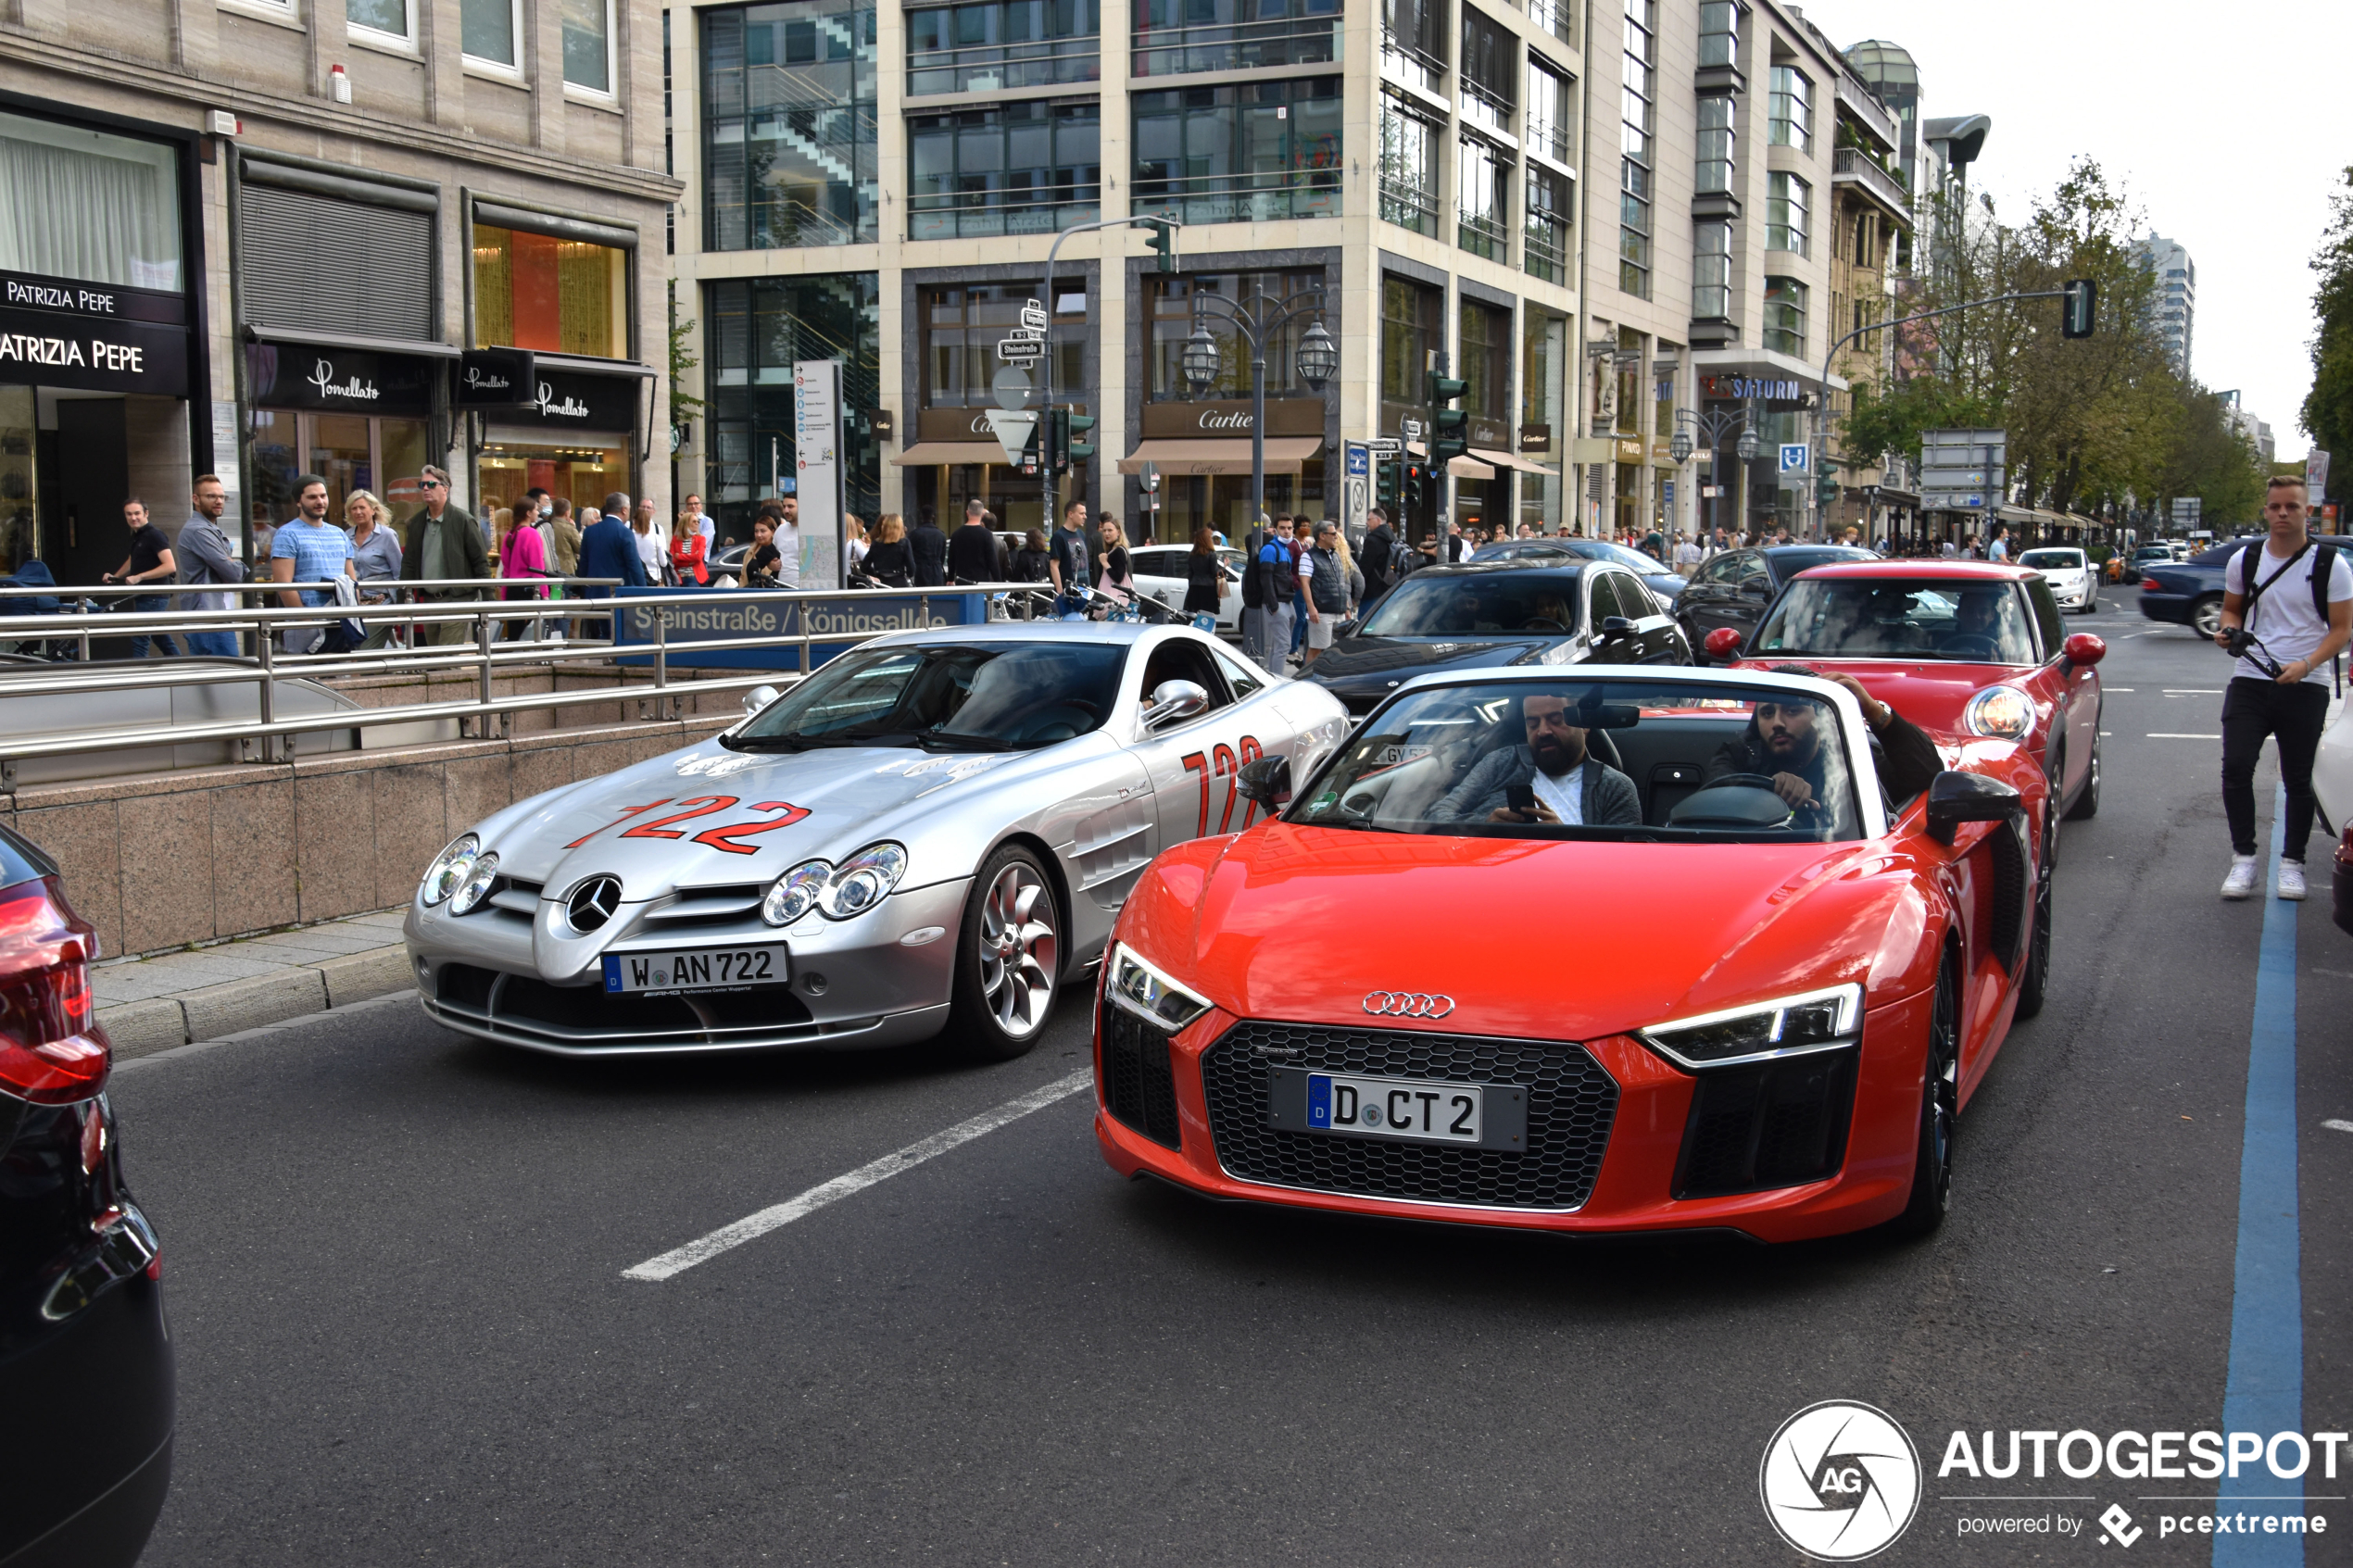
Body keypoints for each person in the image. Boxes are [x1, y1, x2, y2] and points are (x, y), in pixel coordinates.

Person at [2216, 475, 2353, 900]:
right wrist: (2227, 631)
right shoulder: (2246, 559)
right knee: (2236, 767)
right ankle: (2244, 861)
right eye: (2275, 507)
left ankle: (2292, 863)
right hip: (2251, 678)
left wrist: (2307, 663)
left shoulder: (2331, 564)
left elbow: (2342, 629)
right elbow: (2231, 610)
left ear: (2306, 511)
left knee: (2297, 778)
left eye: (2291, 507)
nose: (2282, 514)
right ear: (2266, 510)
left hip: (2304, 682)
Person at [1705, 667, 1941, 813]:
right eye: (1767, 713)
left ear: (1819, 717)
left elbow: (1926, 771)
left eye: (1792, 711)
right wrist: (1765, 788)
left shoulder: (1852, 761)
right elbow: (1714, 800)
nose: (1777, 722)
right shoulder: (1736, 756)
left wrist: (1871, 709)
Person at [1430, 692, 1643, 825]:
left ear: (1584, 725)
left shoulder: (1615, 788)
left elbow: (1623, 866)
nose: (1542, 731)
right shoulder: (1499, 763)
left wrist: (1563, 841)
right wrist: (1484, 825)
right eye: (1532, 723)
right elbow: (1437, 815)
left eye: (1556, 720)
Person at [397, 464, 488, 644]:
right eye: (422, 485)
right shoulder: (416, 523)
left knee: (447, 659)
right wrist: (402, 598)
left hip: (457, 599)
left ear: (445, 489)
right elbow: (408, 563)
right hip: (430, 600)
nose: (425, 488)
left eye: (431, 484)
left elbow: (480, 561)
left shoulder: (463, 520)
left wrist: (488, 598)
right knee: (436, 659)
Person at [271, 475, 357, 653]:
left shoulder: (339, 534)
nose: (319, 501)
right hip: (306, 623)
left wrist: (354, 615)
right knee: (304, 678)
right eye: (312, 497)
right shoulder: (287, 534)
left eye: (323, 496)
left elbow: (351, 579)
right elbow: (284, 585)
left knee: (340, 677)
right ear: (298, 502)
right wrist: (306, 621)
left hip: (340, 621)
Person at [174, 474, 245, 658]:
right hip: (209, 620)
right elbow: (233, 574)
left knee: (214, 682)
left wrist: (231, 563)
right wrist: (239, 565)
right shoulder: (199, 530)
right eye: (211, 496)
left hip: (212, 618)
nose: (219, 501)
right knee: (229, 679)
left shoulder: (208, 529)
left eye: (222, 497)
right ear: (195, 499)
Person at [101, 498, 181, 658]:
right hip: (145, 595)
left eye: (137, 513)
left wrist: (139, 577)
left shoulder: (155, 535)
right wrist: (115, 577)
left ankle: (139, 677)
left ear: (146, 513)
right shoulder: (138, 535)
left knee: (140, 636)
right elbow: (133, 560)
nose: (133, 518)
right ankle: (184, 667)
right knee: (159, 636)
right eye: (129, 514)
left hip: (154, 596)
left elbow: (170, 566)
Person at [346, 489, 404, 649]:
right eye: (354, 508)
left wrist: (400, 607)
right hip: (354, 604)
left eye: (362, 507)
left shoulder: (386, 535)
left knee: (365, 650)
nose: (358, 512)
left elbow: (399, 572)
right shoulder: (346, 536)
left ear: (373, 510)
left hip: (381, 602)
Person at [496, 503, 549, 639]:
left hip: (512, 588)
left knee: (514, 632)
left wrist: (504, 594)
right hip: (529, 588)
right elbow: (537, 567)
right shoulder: (531, 533)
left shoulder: (510, 534)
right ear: (528, 513)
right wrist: (544, 593)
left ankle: (514, 658)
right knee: (534, 632)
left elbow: (506, 569)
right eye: (536, 510)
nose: (538, 513)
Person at [1252, 517, 1298, 670]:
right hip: (1277, 602)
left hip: (1285, 601)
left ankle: (1274, 677)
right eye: (1283, 528)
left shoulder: (1283, 549)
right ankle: (1277, 680)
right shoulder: (1271, 549)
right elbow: (1266, 578)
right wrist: (1273, 604)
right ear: (1276, 529)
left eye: (1289, 528)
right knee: (1283, 645)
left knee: (1279, 645)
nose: (1286, 531)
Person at [1302, 521, 1349, 664]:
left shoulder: (1335, 556)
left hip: (1339, 610)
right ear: (1322, 536)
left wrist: (1347, 607)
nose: (1337, 536)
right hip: (1322, 611)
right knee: (1316, 648)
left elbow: (1341, 583)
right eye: (1333, 533)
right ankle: (1308, 679)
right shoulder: (1308, 556)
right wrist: (1311, 608)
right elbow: (1305, 583)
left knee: (1336, 650)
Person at [1047, 499, 1091, 615]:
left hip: (1084, 591)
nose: (1085, 517)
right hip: (1069, 594)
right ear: (1070, 514)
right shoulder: (1059, 536)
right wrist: (1061, 592)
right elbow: (1054, 565)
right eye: (1081, 513)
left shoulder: (1081, 534)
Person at [948, 501, 1006, 583]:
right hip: (981, 583)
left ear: (967, 513)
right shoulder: (986, 535)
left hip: (961, 582)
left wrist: (950, 579)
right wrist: (998, 582)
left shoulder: (956, 534)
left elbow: (951, 560)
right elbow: (992, 561)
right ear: (982, 515)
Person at [1182, 527, 1225, 620]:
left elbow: (1190, 573)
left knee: (1194, 615)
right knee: (1207, 616)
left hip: (1194, 587)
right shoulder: (1211, 554)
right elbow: (1214, 572)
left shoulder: (1192, 554)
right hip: (1208, 588)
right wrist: (1223, 568)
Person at [862, 514, 914, 586]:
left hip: (881, 583)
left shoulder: (876, 543)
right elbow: (911, 568)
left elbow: (864, 566)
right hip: (899, 582)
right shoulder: (904, 542)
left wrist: (876, 573)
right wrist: (907, 575)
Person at [1360, 507, 1398, 605]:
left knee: (1366, 619)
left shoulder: (1372, 540)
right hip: (1388, 589)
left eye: (1369, 519)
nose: (1366, 522)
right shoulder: (1393, 538)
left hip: (1372, 592)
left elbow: (1364, 568)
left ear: (1378, 520)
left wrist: (1356, 591)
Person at [1095, 516, 1135, 606]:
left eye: (1110, 530)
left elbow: (1118, 577)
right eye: (1104, 531)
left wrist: (1105, 563)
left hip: (1114, 600)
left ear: (1118, 532)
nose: (1106, 533)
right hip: (1111, 599)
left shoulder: (1119, 551)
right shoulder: (1111, 550)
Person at [909, 508, 950, 587]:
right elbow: (942, 557)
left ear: (921, 516)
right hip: (937, 571)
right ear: (933, 516)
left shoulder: (914, 534)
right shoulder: (941, 535)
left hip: (920, 571)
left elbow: (910, 554)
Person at [629, 502, 665, 583]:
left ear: (635, 521)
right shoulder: (656, 538)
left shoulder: (630, 537)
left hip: (634, 578)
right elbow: (663, 563)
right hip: (655, 577)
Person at [670, 512, 710, 585]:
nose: (697, 523)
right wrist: (689, 562)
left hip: (693, 576)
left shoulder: (701, 539)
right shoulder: (675, 539)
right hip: (678, 578)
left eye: (698, 522)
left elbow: (698, 557)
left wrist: (679, 556)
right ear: (686, 523)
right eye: (694, 521)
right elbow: (672, 560)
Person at [744, 517, 783, 588]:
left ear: (773, 532)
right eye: (756, 531)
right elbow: (743, 577)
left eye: (763, 531)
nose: (759, 535)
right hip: (749, 594)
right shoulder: (751, 551)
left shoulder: (778, 551)